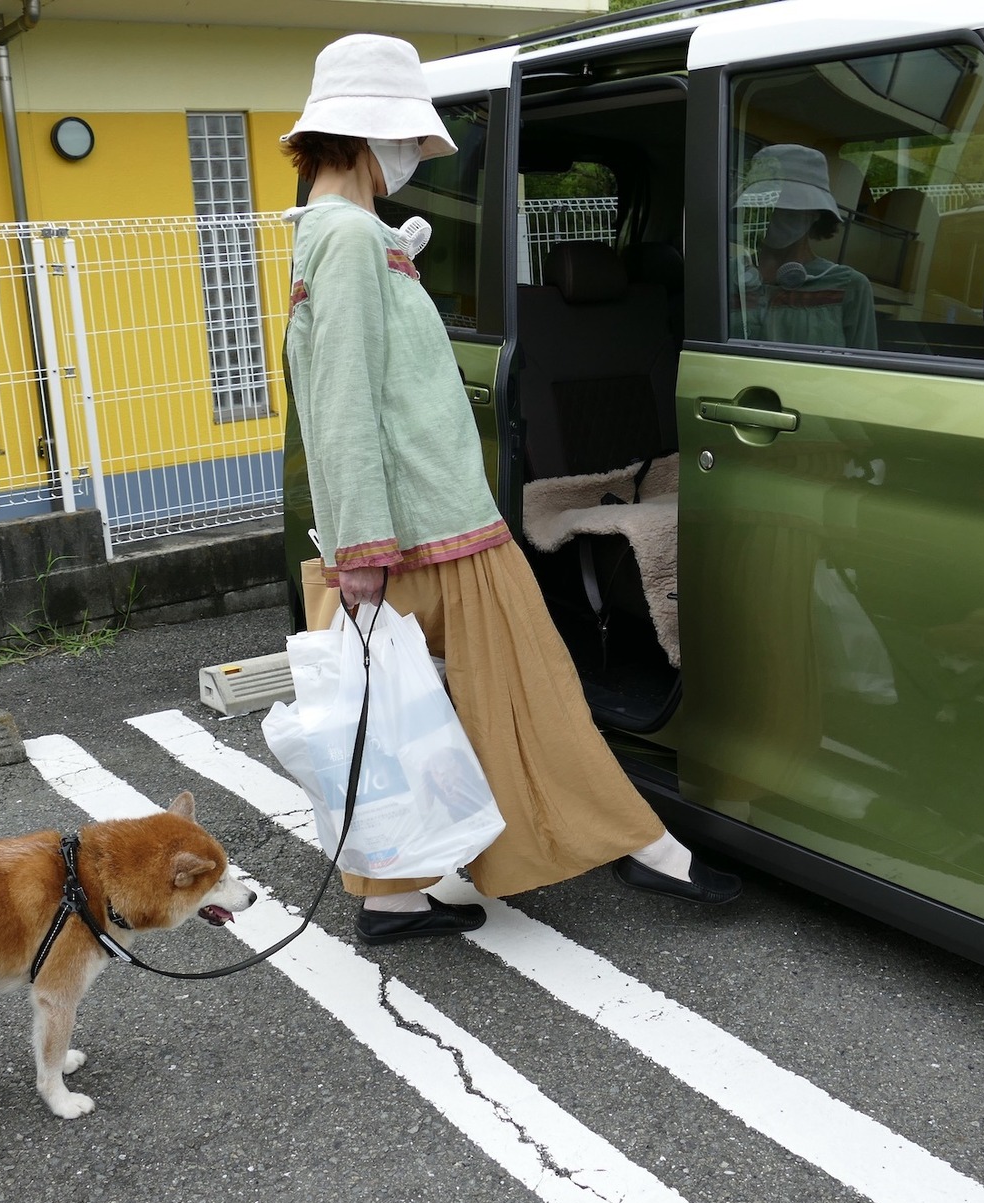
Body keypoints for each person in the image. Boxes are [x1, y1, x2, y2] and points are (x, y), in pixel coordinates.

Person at [280, 33, 741, 946]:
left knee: (403, 710)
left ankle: (394, 894)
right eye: (409, 138)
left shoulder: (343, 234)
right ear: (371, 136)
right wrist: (361, 546)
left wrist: (357, 544)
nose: (417, 155)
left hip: (411, 526)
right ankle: (643, 846)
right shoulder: (341, 238)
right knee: (525, 691)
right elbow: (338, 401)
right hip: (423, 524)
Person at [732, 143, 878, 349]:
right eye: (766, 205)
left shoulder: (849, 286)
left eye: (790, 207)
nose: (775, 214)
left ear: (816, 212)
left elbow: (864, 371)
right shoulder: (726, 275)